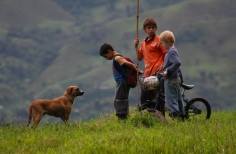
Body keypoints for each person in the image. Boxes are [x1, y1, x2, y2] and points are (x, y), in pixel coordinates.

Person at [99, 43, 143, 120]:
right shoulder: (118, 58)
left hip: (122, 82)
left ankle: (122, 118)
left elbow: (129, 64)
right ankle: (124, 116)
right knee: (121, 98)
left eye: (105, 56)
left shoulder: (117, 58)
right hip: (121, 82)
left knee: (119, 100)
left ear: (109, 51)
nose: (106, 58)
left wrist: (136, 70)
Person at [134, 17, 166, 116]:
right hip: (147, 75)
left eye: (153, 27)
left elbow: (166, 53)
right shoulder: (143, 42)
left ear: (156, 28)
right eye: (149, 28)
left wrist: (163, 65)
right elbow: (139, 58)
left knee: (158, 98)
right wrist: (136, 46)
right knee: (144, 99)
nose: (151, 29)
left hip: (158, 74)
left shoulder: (159, 40)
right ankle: (147, 118)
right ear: (145, 29)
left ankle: (161, 119)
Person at [159, 30, 184, 119]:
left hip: (170, 79)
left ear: (168, 42)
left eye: (162, 43)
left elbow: (177, 63)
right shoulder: (174, 50)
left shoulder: (170, 52)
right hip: (175, 78)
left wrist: (168, 71)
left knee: (171, 101)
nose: (162, 45)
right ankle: (182, 117)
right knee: (178, 99)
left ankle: (175, 120)